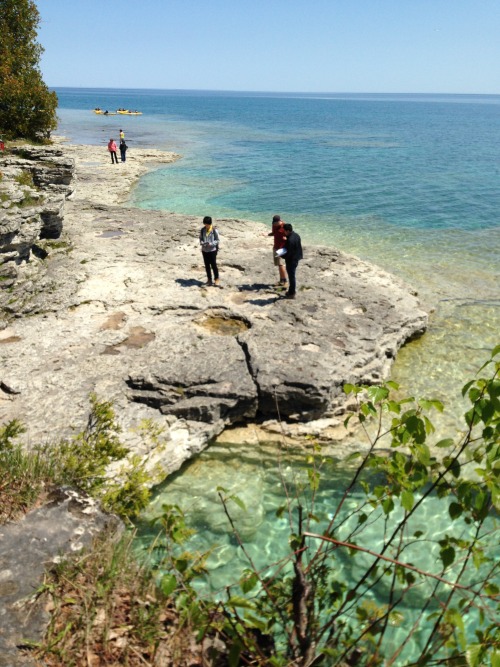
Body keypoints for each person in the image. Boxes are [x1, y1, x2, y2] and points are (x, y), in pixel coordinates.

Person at [282, 223, 303, 299]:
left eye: (284, 231)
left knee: (291, 276)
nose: (283, 232)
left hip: (291, 260)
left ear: (287, 231)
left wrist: (281, 255)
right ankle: (291, 291)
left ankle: (292, 293)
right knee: (292, 275)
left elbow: (289, 253)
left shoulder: (290, 240)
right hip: (297, 257)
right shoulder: (296, 235)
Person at [268, 214, 288, 287]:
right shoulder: (274, 225)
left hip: (282, 248)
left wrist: (286, 239)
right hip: (275, 247)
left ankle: (285, 281)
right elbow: (273, 233)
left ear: (280, 221)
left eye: (276, 223)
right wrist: (267, 234)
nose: (274, 225)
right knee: (278, 265)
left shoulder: (285, 227)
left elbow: (290, 236)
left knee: (281, 264)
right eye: (273, 223)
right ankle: (281, 280)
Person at [199, 216, 220, 286]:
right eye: (205, 224)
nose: (206, 226)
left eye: (207, 224)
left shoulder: (214, 230)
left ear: (210, 223)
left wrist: (211, 244)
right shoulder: (202, 230)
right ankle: (209, 279)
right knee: (207, 265)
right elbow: (201, 239)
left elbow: (217, 240)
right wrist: (202, 243)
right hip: (204, 250)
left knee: (213, 265)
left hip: (212, 250)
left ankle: (216, 279)